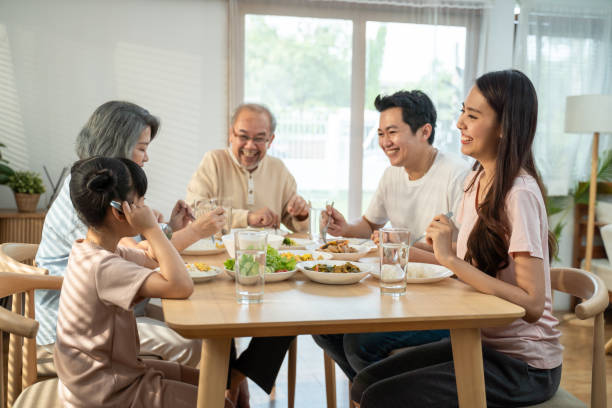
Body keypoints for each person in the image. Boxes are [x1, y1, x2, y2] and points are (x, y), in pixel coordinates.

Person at [351, 69, 563, 407]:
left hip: (523, 366)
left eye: (473, 115)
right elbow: (463, 266)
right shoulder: (475, 181)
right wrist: (414, 248)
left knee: (380, 396)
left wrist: (448, 258)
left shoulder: (518, 194)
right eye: (463, 111)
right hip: (481, 342)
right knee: (364, 382)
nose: (459, 123)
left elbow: (533, 305)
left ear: (505, 127)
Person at [36, 101, 225, 370]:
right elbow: (143, 251)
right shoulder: (91, 196)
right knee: (194, 343)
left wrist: (169, 228)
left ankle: (223, 388)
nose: (146, 158)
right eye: (142, 148)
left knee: (205, 328)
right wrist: (195, 232)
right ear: (120, 146)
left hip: (112, 309)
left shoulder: (94, 184)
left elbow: (139, 251)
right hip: (76, 329)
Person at [313, 90, 469, 380]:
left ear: (425, 131)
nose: (385, 142)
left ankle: (380, 394)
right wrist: (345, 228)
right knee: (324, 329)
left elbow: (467, 252)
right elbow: (372, 224)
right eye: (381, 133)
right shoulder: (392, 174)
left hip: (444, 299)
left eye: (393, 132)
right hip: (400, 290)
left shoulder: (457, 175)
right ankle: (372, 395)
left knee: (359, 344)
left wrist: (408, 245)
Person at [54, 156, 234, 407]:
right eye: (140, 201)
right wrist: (151, 229)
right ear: (119, 211)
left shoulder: (95, 250)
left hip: (105, 376)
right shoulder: (103, 266)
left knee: (208, 384)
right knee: (218, 402)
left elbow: (150, 258)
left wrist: (164, 230)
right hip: (106, 392)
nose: (145, 208)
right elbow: (181, 286)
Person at [185, 103, 309, 232]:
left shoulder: (278, 168)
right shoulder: (214, 160)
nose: (250, 146)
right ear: (231, 134)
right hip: (221, 249)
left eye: (259, 138)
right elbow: (195, 210)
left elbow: (299, 227)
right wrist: (247, 218)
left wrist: (301, 214)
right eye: (243, 136)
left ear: (270, 140)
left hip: (267, 250)